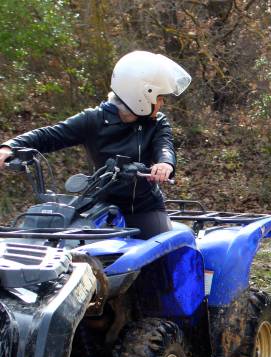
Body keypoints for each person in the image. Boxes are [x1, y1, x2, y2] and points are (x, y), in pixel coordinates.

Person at [0, 50, 191, 239]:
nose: (162, 103)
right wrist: (10, 146)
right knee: (79, 256)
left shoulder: (157, 122)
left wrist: (165, 164)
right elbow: (49, 135)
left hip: (144, 208)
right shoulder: (93, 119)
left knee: (163, 251)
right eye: (159, 97)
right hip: (100, 207)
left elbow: (164, 146)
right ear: (141, 96)